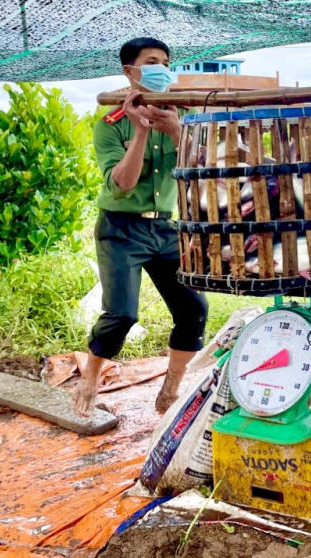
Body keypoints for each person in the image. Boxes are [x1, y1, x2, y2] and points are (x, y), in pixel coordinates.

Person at [72, 38, 209, 418]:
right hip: (120, 230)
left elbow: (202, 170)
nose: (161, 69)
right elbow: (124, 183)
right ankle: (90, 378)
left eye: (166, 62)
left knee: (193, 308)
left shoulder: (180, 115)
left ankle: (170, 388)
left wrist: (177, 132)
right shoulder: (110, 125)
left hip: (166, 228)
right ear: (130, 72)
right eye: (151, 62)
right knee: (123, 314)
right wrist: (143, 132)